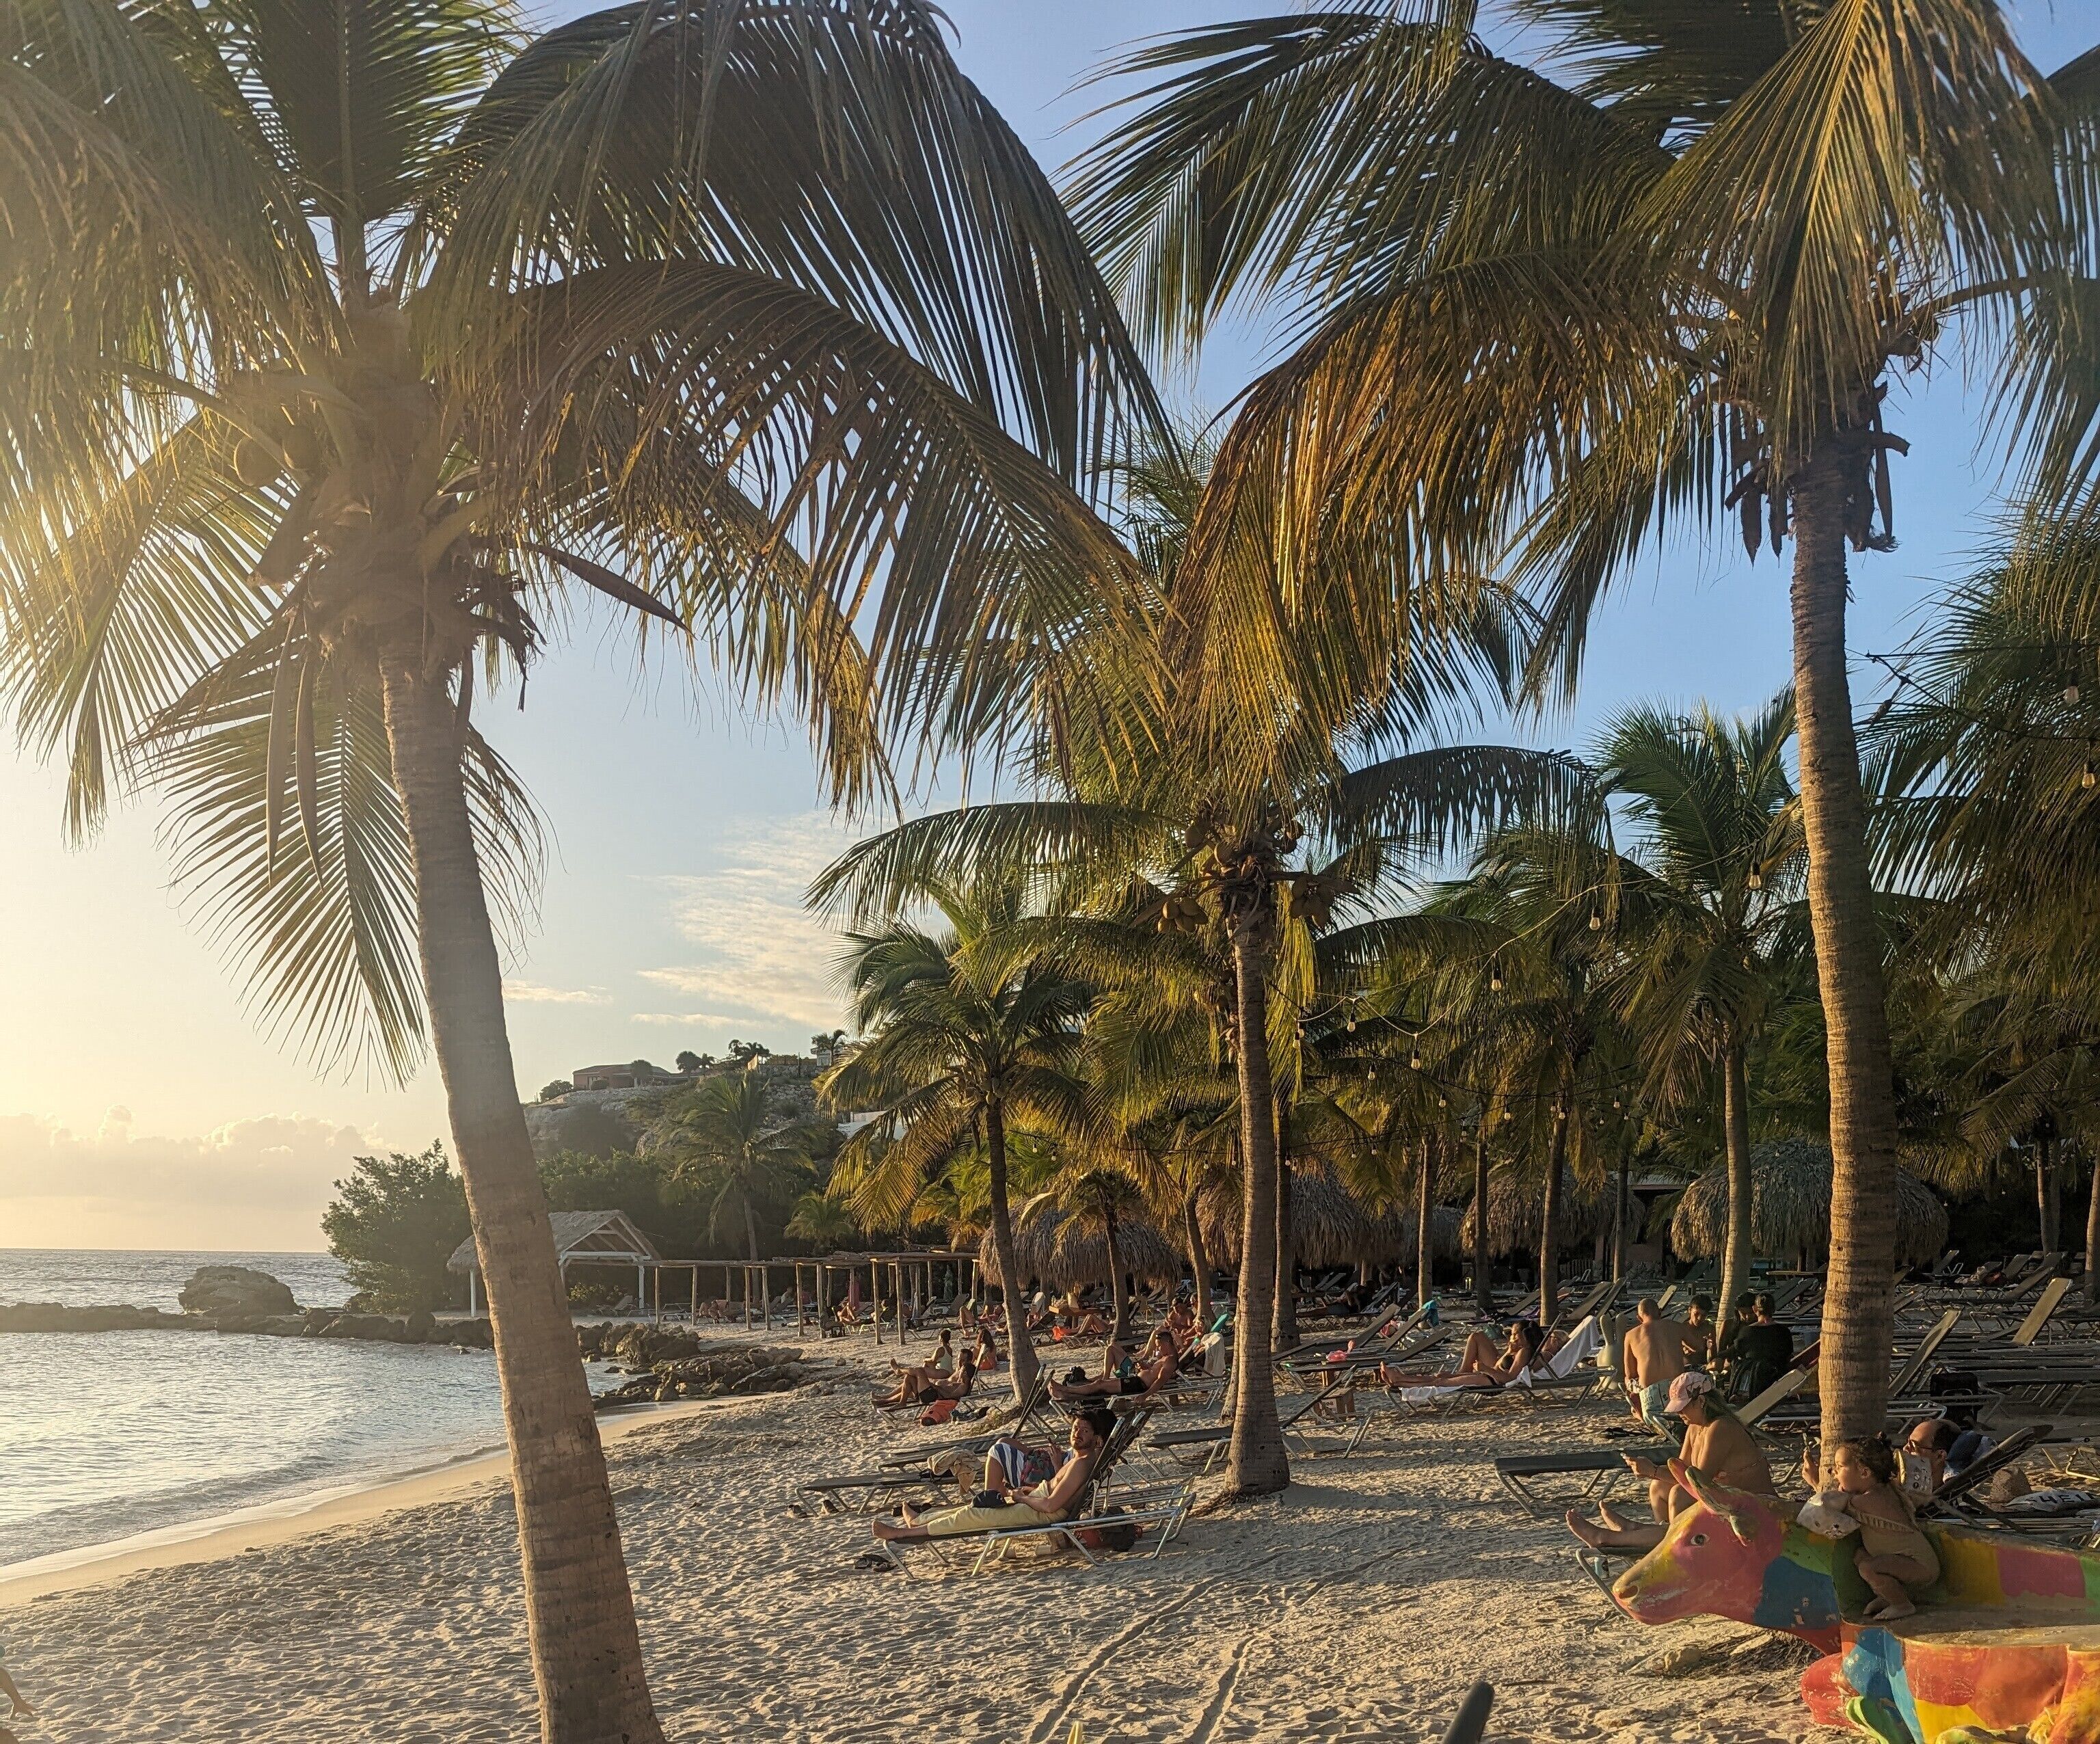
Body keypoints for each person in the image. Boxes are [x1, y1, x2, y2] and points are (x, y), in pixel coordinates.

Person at [1567, 1369, 1776, 1553]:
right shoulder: (1695, 1428)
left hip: (1755, 1508)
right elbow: (1682, 1469)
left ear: (1701, 1402)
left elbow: (1699, 1482)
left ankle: (1612, 1538)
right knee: (1659, 1488)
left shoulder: (1721, 1428)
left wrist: (1653, 1470)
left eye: (1682, 1407)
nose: (1679, 1413)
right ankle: (1642, 1532)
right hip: (1727, 1500)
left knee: (1679, 1494)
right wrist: (1652, 1471)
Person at [873, 1406, 1114, 1542]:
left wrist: (1021, 1497)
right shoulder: (1083, 1460)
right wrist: (1029, 1491)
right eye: (1075, 1428)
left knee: (975, 1515)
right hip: (1037, 1501)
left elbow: (1052, 1506)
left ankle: (902, 1534)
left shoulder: (1083, 1463)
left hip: (1040, 1512)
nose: (1077, 1434)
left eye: (1085, 1431)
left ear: (1097, 1439)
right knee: (972, 1508)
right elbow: (1056, 1490)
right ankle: (919, 1521)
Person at [1814, 1436, 1941, 1620]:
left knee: (1868, 1568)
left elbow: (1831, 1508)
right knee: (1859, 1556)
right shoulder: (1884, 1489)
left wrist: (1814, 1482)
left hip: (1920, 1567)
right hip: (1906, 1561)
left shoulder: (1868, 1501)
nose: (1834, 1472)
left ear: (1865, 1473)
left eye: (1840, 1467)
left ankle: (1902, 1605)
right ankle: (1887, 1594)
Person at [1379, 1319, 1544, 1391]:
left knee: (1440, 1382)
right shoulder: (1519, 1350)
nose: (1511, 1337)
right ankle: (1398, 1379)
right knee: (1441, 1376)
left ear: (1524, 1337)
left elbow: (1509, 1379)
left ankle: (1399, 1381)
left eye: (1514, 1335)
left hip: (1490, 1381)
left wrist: (1485, 1368)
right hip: (1488, 1376)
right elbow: (1502, 1369)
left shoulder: (1524, 1352)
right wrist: (1508, 1351)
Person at [1622, 1296, 1693, 1435]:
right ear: (1660, 1312)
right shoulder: (1676, 1326)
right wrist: (1683, 1348)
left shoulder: (1630, 1335)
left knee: (1627, 1380)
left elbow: (1630, 1374)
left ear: (1639, 1318)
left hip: (1652, 1398)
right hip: (1677, 1389)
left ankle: (1640, 1411)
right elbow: (1698, 1347)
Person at [1053, 1338, 1177, 1400]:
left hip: (1137, 1385)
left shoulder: (1170, 1360)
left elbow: (1160, 1380)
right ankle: (1066, 1393)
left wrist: (1145, 1396)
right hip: (1135, 1380)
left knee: (1100, 1385)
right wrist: (1146, 1367)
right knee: (1100, 1384)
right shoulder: (1165, 1358)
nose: (1158, 1349)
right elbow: (1154, 1374)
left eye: (1159, 1346)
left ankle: (1065, 1390)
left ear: (1167, 1344)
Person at [1726, 1292, 1794, 1402]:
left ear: (1754, 1309)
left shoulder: (1747, 1332)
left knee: (1739, 1363)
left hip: (1754, 1384)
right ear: (1773, 1310)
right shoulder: (1784, 1331)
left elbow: (1737, 1353)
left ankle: (1739, 1394)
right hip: (1778, 1380)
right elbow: (1788, 1355)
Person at [872, 1352, 975, 1408]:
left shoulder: (963, 1387)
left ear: (965, 1373)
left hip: (932, 1396)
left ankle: (899, 1370)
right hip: (930, 1393)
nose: (959, 1372)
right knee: (909, 1377)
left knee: (919, 1371)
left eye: (961, 1371)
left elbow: (949, 1397)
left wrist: (936, 1387)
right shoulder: (961, 1383)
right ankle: (892, 1401)